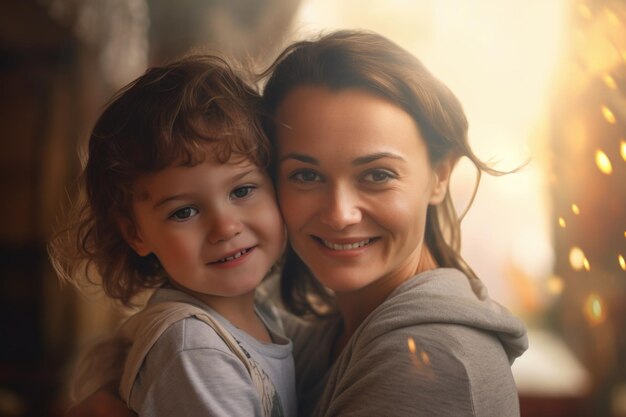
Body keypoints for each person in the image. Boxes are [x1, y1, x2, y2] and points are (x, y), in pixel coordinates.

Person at [65, 30, 528, 417]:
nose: (339, 214)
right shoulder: (302, 334)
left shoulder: (432, 367)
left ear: (440, 175)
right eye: (305, 175)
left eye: (377, 175)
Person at [48, 54, 296, 417]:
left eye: (242, 191)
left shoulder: (263, 316)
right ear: (135, 233)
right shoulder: (194, 350)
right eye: (184, 212)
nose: (225, 227)